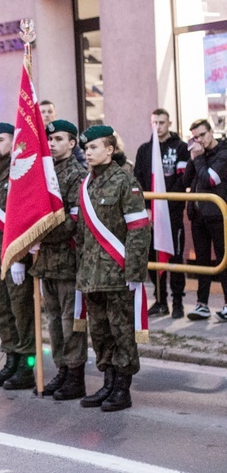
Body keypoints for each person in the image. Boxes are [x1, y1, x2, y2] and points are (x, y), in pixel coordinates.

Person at [76, 124, 150, 412]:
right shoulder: (87, 183)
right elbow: (83, 233)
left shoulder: (124, 182)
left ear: (109, 149)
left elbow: (139, 229)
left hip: (117, 272)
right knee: (100, 331)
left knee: (121, 331)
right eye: (86, 148)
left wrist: (134, 271)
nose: (88, 152)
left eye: (93, 147)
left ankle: (122, 387)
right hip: (92, 275)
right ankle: (107, 381)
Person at [29, 120, 88, 399]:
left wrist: (41, 236)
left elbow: (73, 222)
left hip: (67, 259)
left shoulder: (76, 175)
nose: (51, 143)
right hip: (46, 260)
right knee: (53, 320)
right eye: (49, 139)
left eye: (58, 139)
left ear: (72, 143)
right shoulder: (44, 172)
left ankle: (76, 376)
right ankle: (62, 370)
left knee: (70, 320)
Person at [0, 123, 35, 390]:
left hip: (14, 258)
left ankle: (26, 365)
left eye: (1, 139)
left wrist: (22, 258)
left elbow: (26, 219)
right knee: (2, 313)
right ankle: (11, 359)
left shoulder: (21, 173)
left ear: (15, 141)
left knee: (21, 312)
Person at [133, 108, 188, 319]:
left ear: (170, 123)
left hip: (171, 213)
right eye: (154, 123)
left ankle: (178, 302)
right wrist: (148, 206)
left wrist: (165, 204)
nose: (158, 126)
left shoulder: (180, 147)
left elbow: (182, 179)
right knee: (153, 257)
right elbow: (138, 180)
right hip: (150, 213)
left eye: (162, 122)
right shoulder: (144, 150)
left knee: (174, 258)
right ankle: (160, 300)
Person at [182, 119, 227, 322]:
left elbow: (211, 180)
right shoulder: (198, 155)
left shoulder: (223, 153)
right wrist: (193, 159)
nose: (199, 140)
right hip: (198, 215)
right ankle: (202, 305)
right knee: (201, 262)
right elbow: (186, 181)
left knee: (222, 260)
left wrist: (198, 159)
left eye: (202, 135)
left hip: (218, 216)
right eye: (195, 137)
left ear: (211, 132)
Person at [40, 100, 86, 168]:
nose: (46, 115)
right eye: (43, 112)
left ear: (55, 114)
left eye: (50, 112)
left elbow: (81, 162)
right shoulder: (35, 139)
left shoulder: (65, 134)